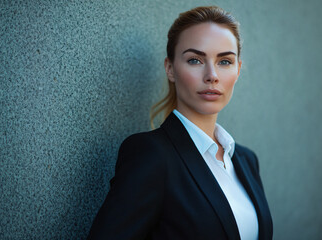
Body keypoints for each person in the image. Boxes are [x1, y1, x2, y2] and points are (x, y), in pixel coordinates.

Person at [87, 6, 273, 240]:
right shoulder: (151, 155)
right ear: (170, 69)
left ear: (238, 71)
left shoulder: (246, 160)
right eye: (195, 60)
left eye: (225, 61)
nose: (212, 75)